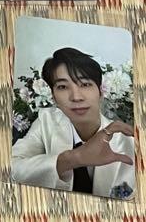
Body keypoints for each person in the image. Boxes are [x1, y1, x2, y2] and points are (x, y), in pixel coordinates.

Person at [11, 48, 134, 198]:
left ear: (101, 91)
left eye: (85, 84)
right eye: (62, 87)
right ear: (53, 97)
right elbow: (10, 168)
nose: (76, 97)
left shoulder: (127, 140)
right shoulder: (46, 121)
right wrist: (72, 159)